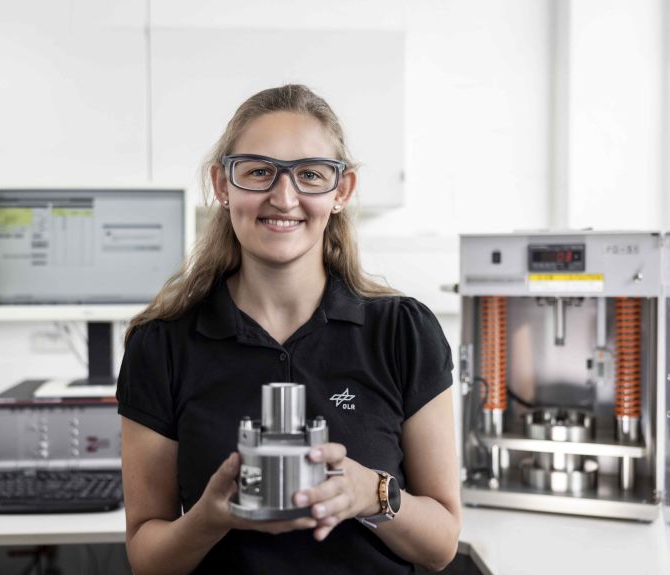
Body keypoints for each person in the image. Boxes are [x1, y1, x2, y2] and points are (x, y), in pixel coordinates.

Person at [116, 84, 461, 575]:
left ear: (341, 192)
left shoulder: (403, 332)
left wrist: (371, 493)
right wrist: (210, 519)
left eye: (310, 175)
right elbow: (148, 559)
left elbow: (442, 544)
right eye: (258, 172)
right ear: (222, 184)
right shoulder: (163, 345)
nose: (284, 197)